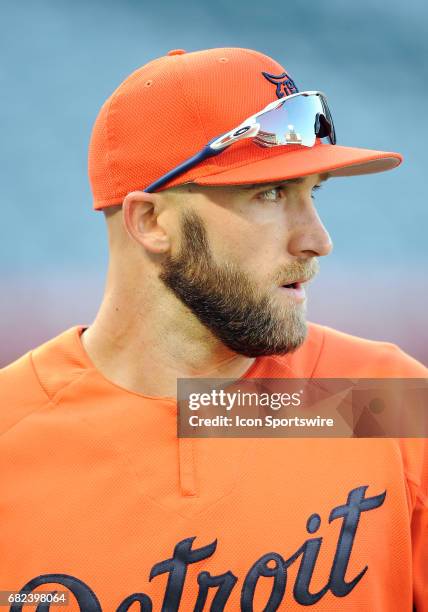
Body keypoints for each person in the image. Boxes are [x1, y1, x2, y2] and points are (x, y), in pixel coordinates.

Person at [0, 47, 426, 611]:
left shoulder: (385, 398)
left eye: (312, 192)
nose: (317, 239)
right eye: (270, 194)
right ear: (151, 221)